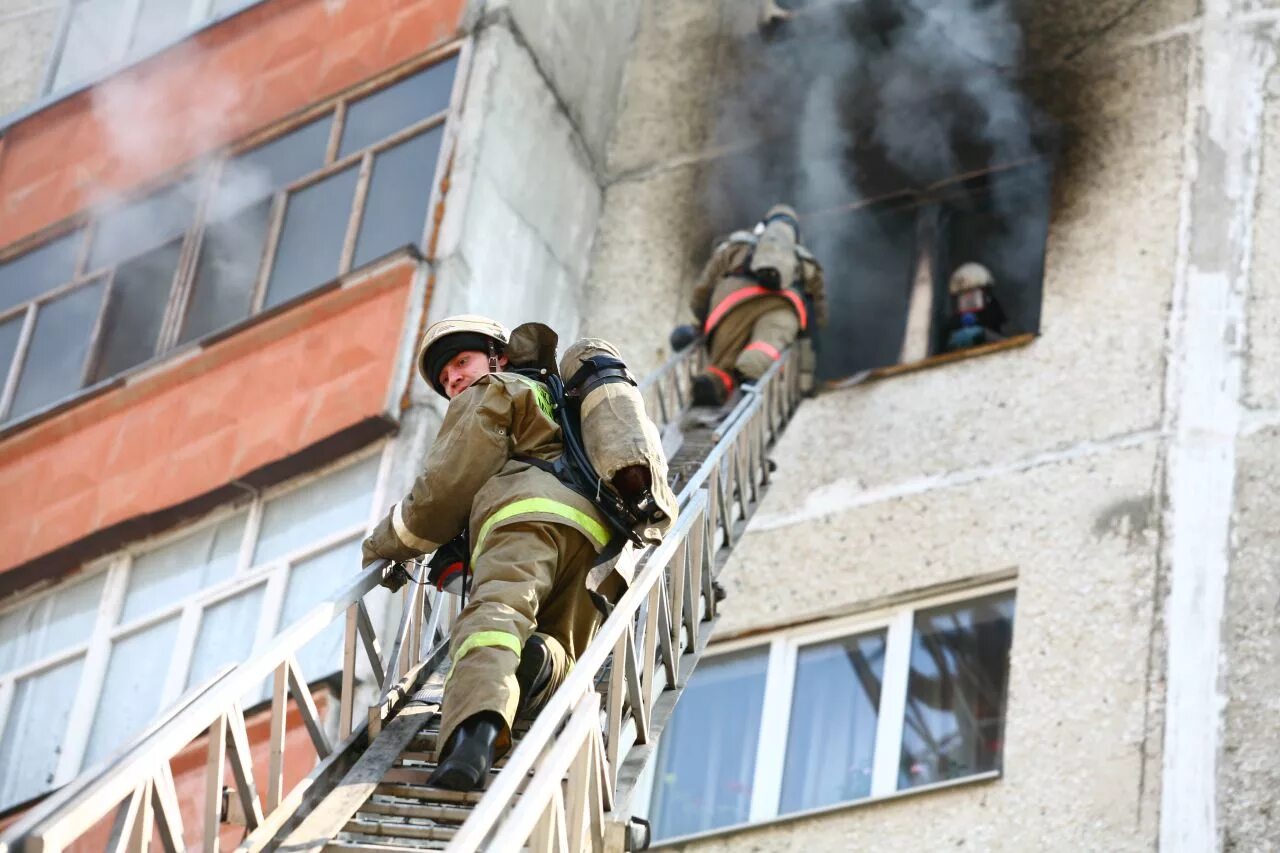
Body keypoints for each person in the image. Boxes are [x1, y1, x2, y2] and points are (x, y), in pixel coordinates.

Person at [361, 315, 675, 790]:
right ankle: (537, 664)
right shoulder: (560, 402)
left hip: (525, 522)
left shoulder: (497, 388)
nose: (455, 381)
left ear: (497, 357)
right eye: (446, 380)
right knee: (560, 648)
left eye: (461, 363)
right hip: (599, 545)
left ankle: (473, 738)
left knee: (496, 617)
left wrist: (387, 541)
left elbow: (447, 486)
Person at [674, 204, 827, 406]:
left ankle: (715, 379)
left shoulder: (735, 245)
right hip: (781, 308)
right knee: (766, 343)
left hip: (731, 304)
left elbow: (703, 289)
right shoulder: (806, 262)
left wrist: (701, 322)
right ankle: (752, 369)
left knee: (722, 361)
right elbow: (818, 317)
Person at [943, 262, 1006, 352]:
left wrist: (985, 335)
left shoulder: (995, 315)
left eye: (975, 297)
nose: (969, 303)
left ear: (987, 295)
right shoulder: (951, 328)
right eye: (964, 299)